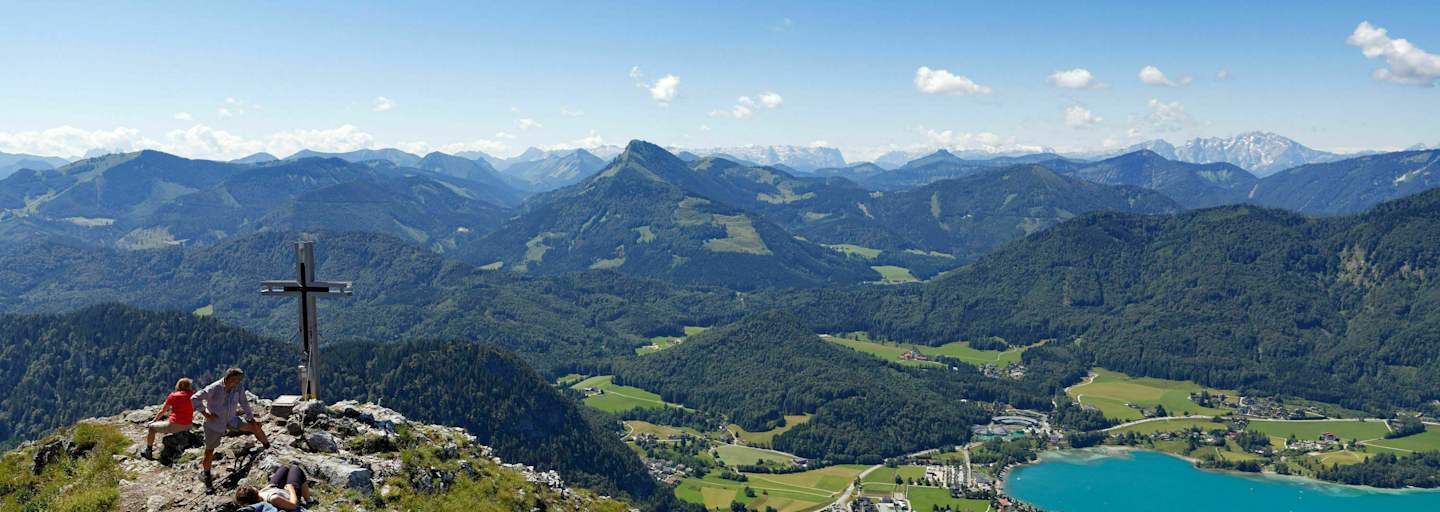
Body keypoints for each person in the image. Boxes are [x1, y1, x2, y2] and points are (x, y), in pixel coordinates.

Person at [192, 367, 270, 487]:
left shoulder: (238, 388)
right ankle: (207, 477)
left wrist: (251, 418)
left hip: (231, 419)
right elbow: (195, 398)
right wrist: (206, 414)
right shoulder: (215, 388)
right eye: (236, 380)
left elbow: (244, 402)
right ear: (228, 378)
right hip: (214, 424)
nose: (238, 382)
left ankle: (268, 448)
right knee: (209, 451)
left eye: (240, 380)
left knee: (254, 427)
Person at [141, 377, 196, 460]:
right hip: (188, 425)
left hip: (175, 425)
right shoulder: (193, 395)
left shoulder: (173, 396)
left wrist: (153, 421)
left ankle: (148, 451)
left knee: (152, 428)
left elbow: (163, 411)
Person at [235, 465, 310, 511]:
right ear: (255, 493)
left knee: (284, 468)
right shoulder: (274, 498)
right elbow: (293, 505)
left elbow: (258, 495)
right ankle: (308, 500)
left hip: (273, 490)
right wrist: (291, 489)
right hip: (289, 495)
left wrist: (265, 488)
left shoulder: (256, 497)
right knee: (295, 468)